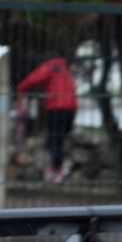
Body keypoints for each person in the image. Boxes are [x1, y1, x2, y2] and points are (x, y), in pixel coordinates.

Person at [15, 52, 78, 183]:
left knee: (54, 139)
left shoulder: (51, 66)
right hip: (70, 108)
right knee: (61, 138)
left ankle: (56, 170)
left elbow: (34, 78)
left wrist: (21, 88)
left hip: (57, 107)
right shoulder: (64, 70)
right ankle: (61, 167)